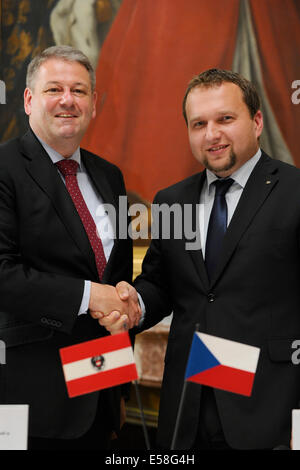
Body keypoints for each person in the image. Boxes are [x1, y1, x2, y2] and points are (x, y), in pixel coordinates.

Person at [98, 69, 300, 450]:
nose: (212, 134)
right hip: (186, 413)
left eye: (225, 118)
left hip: (270, 412)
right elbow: (161, 282)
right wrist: (134, 304)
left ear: (256, 122)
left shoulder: (294, 192)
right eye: (198, 124)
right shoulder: (173, 200)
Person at [0, 45, 140, 450]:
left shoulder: (109, 175)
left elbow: (116, 279)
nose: (67, 100)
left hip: (97, 393)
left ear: (93, 103)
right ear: (29, 100)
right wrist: (87, 294)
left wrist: (118, 387)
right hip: (28, 401)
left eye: (79, 91)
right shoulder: (5, 169)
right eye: (54, 89)